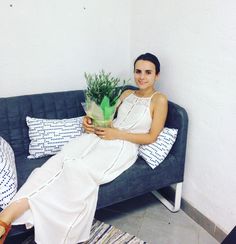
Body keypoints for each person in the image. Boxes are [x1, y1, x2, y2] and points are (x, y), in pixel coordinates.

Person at [0, 53, 168, 244]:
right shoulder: (127, 93)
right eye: (138, 71)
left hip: (124, 147)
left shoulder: (159, 100)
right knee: (57, 161)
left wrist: (117, 134)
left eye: (148, 72)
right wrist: (89, 121)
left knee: (76, 169)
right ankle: (6, 218)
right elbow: (107, 117)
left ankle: (57, 236)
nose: (142, 77)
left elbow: (151, 136)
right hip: (101, 137)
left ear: (157, 75)